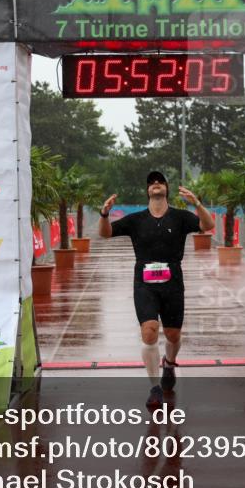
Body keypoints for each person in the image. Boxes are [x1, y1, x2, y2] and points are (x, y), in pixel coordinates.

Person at [99, 171, 215, 408]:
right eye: (151, 182)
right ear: (147, 190)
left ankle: (169, 363)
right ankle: (154, 388)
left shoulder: (181, 217)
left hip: (173, 281)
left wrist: (197, 204)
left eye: (160, 181)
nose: (155, 184)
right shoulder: (136, 219)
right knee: (149, 331)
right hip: (144, 282)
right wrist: (104, 213)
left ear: (166, 188)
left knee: (173, 334)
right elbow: (106, 233)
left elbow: (208, 225)